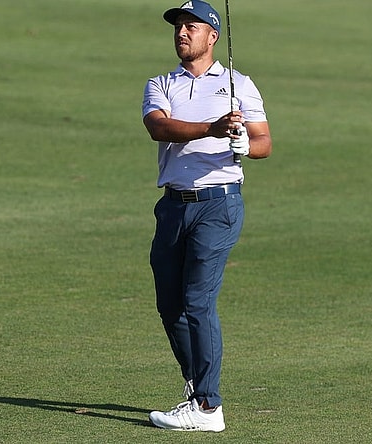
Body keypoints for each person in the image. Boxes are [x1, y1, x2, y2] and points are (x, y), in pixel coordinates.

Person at [141, 0, 272, 432]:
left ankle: (208, 406)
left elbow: (264, 142)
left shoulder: (239, 85)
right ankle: (197, 383)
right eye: (178, 26)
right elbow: (159, 128)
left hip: (219, 205)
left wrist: (245, 146)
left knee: (198, 300)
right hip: (173, 206)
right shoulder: (161, 84)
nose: (181, 32)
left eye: (191, 26)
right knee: (170, 305)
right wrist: (211, 129)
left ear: (212, 36)